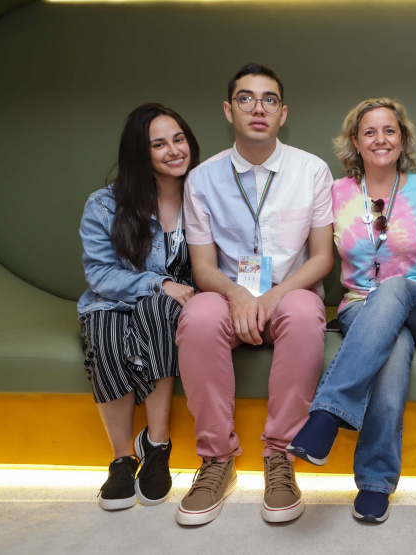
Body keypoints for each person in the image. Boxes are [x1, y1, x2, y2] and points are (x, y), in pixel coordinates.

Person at [175, 63, 335, 526]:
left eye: (268, 100)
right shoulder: (202, 178)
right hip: (227, 295)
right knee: (199, 318)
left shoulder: (311, 170)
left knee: (306, 314)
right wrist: (238, 296)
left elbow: (321, 257)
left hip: (291, 292)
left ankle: (280, 456)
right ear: (229, 110)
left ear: (283, 113)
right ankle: (217, 460)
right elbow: (203, 268)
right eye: (246, 99)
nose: (257, 108)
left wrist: (271, 296)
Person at [286, 98, 416, 523]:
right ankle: (376, 482)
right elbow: (317, 254)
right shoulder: (336, 192)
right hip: (361, 306)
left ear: (403, 139)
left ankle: (326, 414)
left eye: (389, 130)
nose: (381, 139)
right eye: (370, 132)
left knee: (396, 287)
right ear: (355, 143)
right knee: (392, 344)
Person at [78, 103, 199, 510]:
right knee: (104, 329)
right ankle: (121, 458)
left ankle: (158, 444)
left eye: (178, 139)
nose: (173, 150)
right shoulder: (104, 204)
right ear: (138, 153)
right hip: (113, 300)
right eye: (159, 144)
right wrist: (158, 282)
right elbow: (100, 274)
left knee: (159, 313)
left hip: (171, 309)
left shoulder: (205, 196)